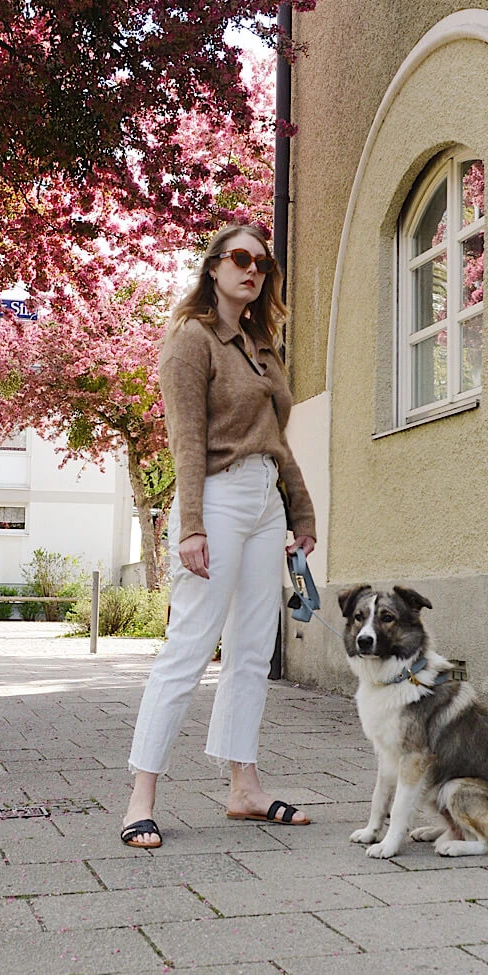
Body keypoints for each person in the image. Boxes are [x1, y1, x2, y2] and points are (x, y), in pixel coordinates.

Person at [121, 222, 318, 847]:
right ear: (213, 268)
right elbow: (185, 437)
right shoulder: (190, 339)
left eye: (262, 263)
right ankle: (140, 797)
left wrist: (302, 513)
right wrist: (191, 526)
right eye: (240, 258)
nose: (252, 270)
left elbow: (276, 440)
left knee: (253, 647)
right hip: (219, 496)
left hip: (265, 502)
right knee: (190, 644)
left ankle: (244, 787)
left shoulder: (262, 345)